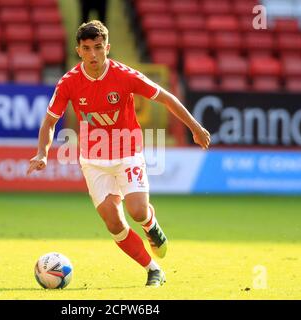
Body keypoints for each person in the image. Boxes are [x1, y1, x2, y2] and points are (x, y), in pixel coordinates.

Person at [27, 20, 210, 287]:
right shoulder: (69, 82)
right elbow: (49, 122)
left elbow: (166, 98)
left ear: (107, 48)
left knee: (136, 211)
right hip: (93, 161)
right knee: (114, 224)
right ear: (78, 50)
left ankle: (149, 223)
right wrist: (42, 153)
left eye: (98, 48)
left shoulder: (125, 75)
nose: (93, 54)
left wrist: (195, 127)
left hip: (127, 153)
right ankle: (153, 269)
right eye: (87, 48)